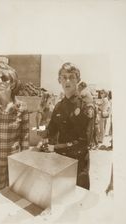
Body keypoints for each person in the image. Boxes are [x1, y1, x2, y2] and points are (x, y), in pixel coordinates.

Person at [45, 62, 92, 190]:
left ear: (78, 80)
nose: (67, 80)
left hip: (79, 163)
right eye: (64, 77)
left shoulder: (85, 105)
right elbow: (50, 130)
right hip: (60, 163)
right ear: (59, 80)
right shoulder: (58, 106)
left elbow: (84, 142)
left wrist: (56, 147)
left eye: (71, 77)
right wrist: (38, 130)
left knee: (78, 201)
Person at [0, 61, 29, 190]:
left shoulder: (22, 107)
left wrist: (24, 164)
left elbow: (25, 138)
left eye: (4, 78)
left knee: (11, 197)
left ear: (13, 83)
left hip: (13, 162)